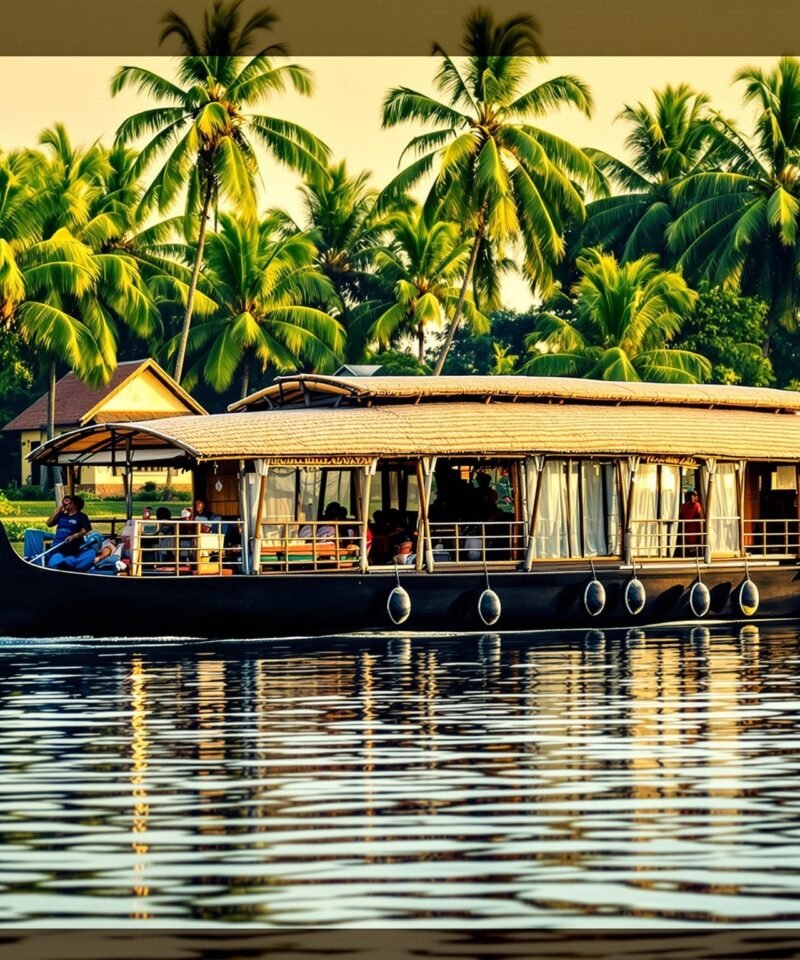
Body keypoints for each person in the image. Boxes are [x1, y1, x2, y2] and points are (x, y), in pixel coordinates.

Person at [41, 495, 93, 569]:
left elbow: (86, 530)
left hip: (71, 548)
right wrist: (60, 507)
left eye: (69, 503)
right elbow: (49, 523)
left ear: (75, 505)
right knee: (54, 561)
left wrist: (74, 536)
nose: (67, 504)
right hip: (57, 546)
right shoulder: (62, 515)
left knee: (69, 562)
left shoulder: (81, 516)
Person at [678, 489, 704, 557]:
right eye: (691, 495)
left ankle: (691, 551)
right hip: (690, 527)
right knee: (690, 541)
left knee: (691, 541)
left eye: (694, 495)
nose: (692, 497)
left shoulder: (688, 506)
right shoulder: (695, 505)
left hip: (692, 528)